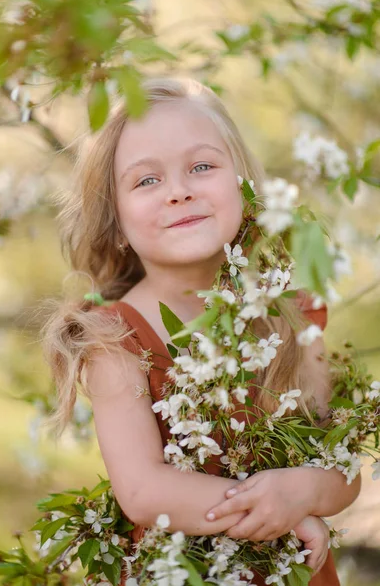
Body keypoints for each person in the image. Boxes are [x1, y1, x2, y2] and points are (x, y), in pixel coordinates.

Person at [41, 77, 361, 585]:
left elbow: (341, 467)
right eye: (146, 181)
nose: (179, 191)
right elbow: (143, 489)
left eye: (202, 166)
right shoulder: (114, 337)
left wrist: (301, 493)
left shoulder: (292, 316)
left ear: (245, 186)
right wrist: (277, 515)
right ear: (117, 223)